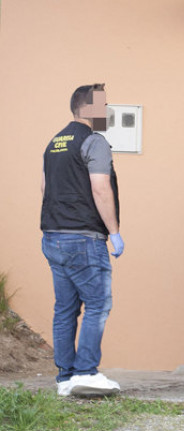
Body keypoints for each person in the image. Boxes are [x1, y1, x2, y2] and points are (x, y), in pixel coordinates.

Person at [41, 83, 124, 398]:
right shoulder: (94, 141)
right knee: (99, 303)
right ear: (88, 109)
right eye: (102, 106)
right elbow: (101, 187)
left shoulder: (54, 143)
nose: (106, 112)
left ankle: (64, 378)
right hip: (84, 239)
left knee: (65, 308)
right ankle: (87, 372)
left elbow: (44, 187)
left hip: (53, 236)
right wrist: (114, 232)